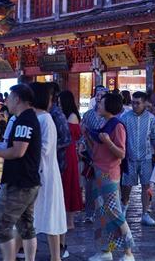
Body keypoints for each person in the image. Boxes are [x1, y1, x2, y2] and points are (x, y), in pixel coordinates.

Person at [0, 84, 42, 261]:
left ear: (17, 99)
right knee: (26, 227)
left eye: (9, 98)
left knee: (1, 226)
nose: (6, 102)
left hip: (20, 182)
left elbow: (18, 151)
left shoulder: (24, 121)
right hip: (28, 181)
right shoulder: (26, 118)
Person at [85, 92, 135, 261]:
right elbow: (96, 150)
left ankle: (128, 252)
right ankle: (105, 250)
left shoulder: (117, 126)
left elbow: (121, 153)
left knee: (114, 212)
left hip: (109, 173)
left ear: (110, 107)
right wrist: (87, 136)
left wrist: (108, 141)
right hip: (99, 172)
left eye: (101, 103)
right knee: (101, 214)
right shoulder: (104, 124)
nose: (98, 105)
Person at [28, 83, 67, 261]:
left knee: (50, 215)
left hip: (44, 174)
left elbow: (44, 149)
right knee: (33, 217)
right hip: (38, 173)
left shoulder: (46, 119)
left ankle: (55, 256)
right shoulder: (35, 118)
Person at [120, 91, 155, 226]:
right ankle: (124, 208)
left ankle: (145, 213)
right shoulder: (125, 117)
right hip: (129, 157)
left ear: (145, 103)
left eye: (138, 103)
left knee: (147, 186)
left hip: (146, 157)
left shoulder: (151, 118)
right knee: (126, 186)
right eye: (133, 102)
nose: (134, 105)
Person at [59, 90, 84, 257]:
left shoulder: (72, 117)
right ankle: (68, 218)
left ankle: (70, 220)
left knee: (69, 184)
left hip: (69, 153)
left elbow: (70, 135)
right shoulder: (67, 116)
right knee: (66, 184)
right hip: (67, 153)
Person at [80, 86, 108, 222]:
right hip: (91, 155)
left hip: (106, 156)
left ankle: (104, 212)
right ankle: (89, 213)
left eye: (102, 95)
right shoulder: (88, 115)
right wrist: (82, 144)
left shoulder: (109, 116)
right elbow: (82, 132)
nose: (98, 97)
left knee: (105, 185)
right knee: (90, 185)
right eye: (97, 95)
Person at [49, 82, 72, 175]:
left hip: (57, 159)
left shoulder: (56, 114)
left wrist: (49, 147)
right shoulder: (49, 112)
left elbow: (66, 139)